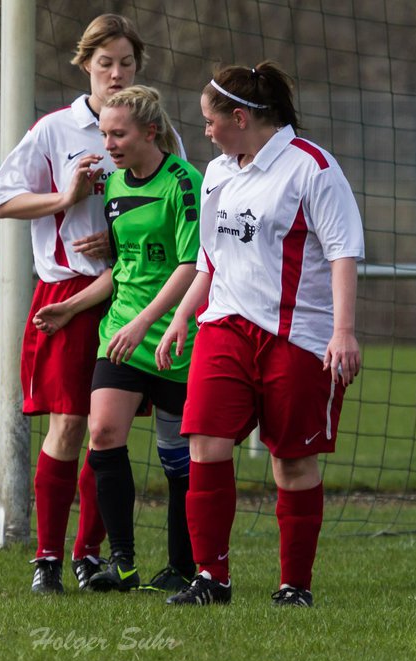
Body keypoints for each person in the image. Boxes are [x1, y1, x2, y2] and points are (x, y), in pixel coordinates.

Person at [156, 62, 364, 606]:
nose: (204, 130)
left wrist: (343, 332)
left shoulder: (312, 169)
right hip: (225, 326)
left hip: (297, 337)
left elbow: (343, 252)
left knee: (291, 460)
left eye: (209, 120)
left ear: (240, 118)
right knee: (204, 442)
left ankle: (294, 585)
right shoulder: (219, 172)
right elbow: (209, 257)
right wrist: (182, 316)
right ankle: (212, 579)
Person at [0, 14, 183, 594]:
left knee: (111, 432)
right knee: (71, 424)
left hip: (134, 297)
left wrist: (119, 243)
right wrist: (65, 198)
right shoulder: (55, 129)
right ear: (85, 66)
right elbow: (3, 201)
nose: (116, 73)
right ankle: (46, 558)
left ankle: (91, 553)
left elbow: (165, 216)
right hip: (68, 292)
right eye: (106, 63)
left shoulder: (152, 133)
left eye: (126, 63)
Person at [32, 86, 202, 594]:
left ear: (150, 131)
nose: (108, 143)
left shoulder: (186, 182)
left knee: (178, 461)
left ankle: (182, 565)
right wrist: (71, 306)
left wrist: (148, 320)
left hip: (177, 334)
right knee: (103, 433)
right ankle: (121, 562)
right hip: (122, 331)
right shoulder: (113, 187)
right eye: (104, 133)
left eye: (119, 133)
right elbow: (122, 270)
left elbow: (191, 266)